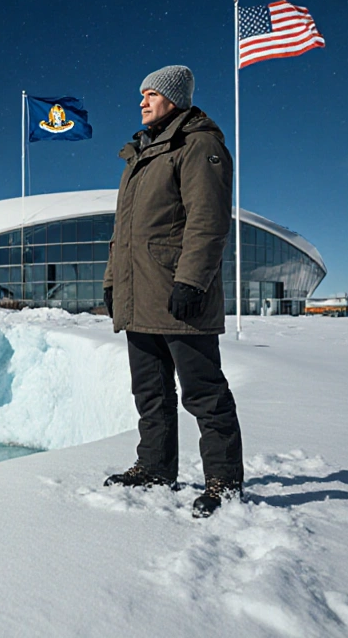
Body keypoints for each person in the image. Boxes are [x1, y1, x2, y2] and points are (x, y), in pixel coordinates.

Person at [101, 64, 244, 518]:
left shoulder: (198, 145)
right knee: (150, 391)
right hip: (139, 294)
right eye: (140, 94)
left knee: (203, 392)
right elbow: (122, 233)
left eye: (151, 94)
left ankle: (223, 480)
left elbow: (208, 221)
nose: (142, 101)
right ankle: (155, 468)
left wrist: (191, 280)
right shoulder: (140, 155)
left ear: (175, 98)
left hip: (180, 294)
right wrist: (111, 281)